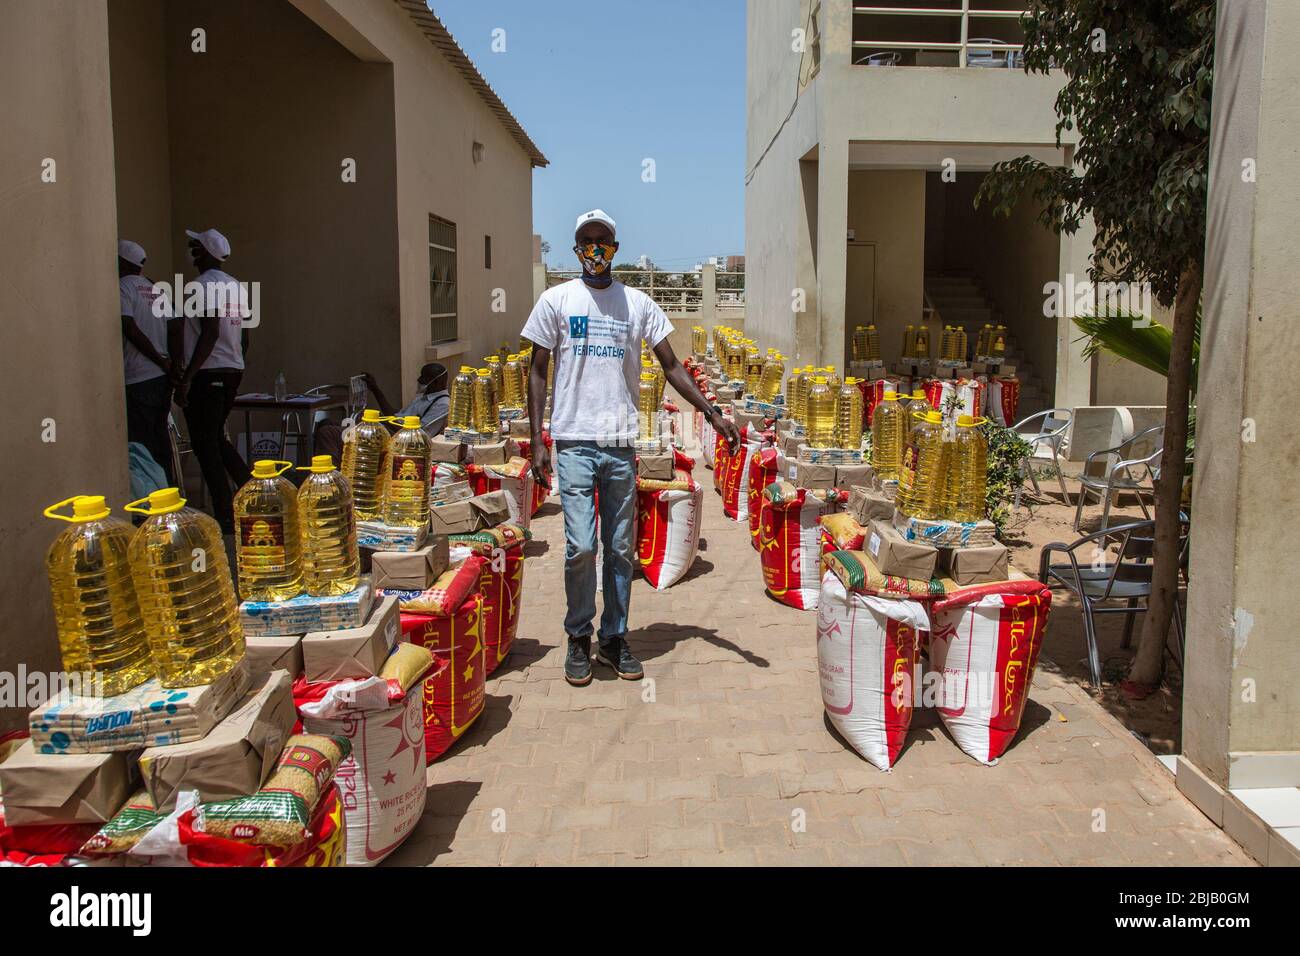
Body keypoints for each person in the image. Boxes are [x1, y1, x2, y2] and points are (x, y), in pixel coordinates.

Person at [522, 209, 740, 687]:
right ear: (576, 247)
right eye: (586, 240)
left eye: (603, 240)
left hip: (619, 444)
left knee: (620, 549)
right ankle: (578, 636)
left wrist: (711, 412)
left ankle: (614, 637)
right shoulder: (556, 300)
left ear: (615, 248)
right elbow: (537, 371)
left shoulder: (637, 304)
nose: (595, 248)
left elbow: (672, 366)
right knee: (581, 546)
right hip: (574, 441)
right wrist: (538, 437)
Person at [173, 227, 252, 535]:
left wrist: (187, 378)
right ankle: (250, 494)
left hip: (209, 372)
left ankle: (226, 515)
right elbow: (245, 336)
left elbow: (209, 333)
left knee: (205, 445)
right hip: (231, 369)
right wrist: (237, 363)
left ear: (204, 252)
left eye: (195, 246)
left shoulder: (200, 286)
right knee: (216, 438)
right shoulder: (236, 286)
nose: (191, 251)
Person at [118, 239, 178, 484]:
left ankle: (151, 499)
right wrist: (172, 364)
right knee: (159, 437)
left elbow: (128, 326)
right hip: (161, 377)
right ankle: (168, 491)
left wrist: (159, 360)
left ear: (121, 262)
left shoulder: (123, 287)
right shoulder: (154, 289)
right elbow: (176, 325)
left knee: (141, 446)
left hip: (139, 376)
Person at [313, 364, 450, 462]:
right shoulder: (423, 397)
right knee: (326, 423)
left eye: (424, 378)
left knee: (328, 433)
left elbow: (420, 435)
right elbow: (395, 415)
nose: (419, 380)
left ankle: (334, 478)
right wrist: (375, 389)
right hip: (383, 428)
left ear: (436, 381)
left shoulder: (442, 404)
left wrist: (384, 422)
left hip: (393, 439)